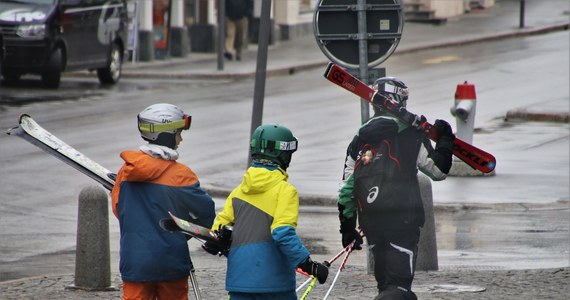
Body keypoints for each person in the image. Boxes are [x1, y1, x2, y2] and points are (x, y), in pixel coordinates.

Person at [337, 77, 455, 300]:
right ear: (399, 101)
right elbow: (438, 171)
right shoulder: (412, 134)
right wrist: (446, 139)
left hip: (371, 223)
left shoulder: (359, 139)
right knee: (399, 288)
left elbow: (345, 190)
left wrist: (348, 229)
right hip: (403, 221)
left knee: (386, 286)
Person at [202, 123, 329, 299]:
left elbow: (218, 229)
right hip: (274, 283)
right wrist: (308, 264)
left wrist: (216, 241)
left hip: (240, 281)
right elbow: (282, 233)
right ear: (284, 155)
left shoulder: (239, 191)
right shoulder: (285, 191)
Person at [111, 103, 216, 300]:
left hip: (135, 260)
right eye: (178, 133)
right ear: (167, 134)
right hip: (171, 261)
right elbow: (206, 213)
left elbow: (118, 209)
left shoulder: (125, 172)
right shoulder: (181, 175)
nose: (181, 138)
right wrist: (180, 234)